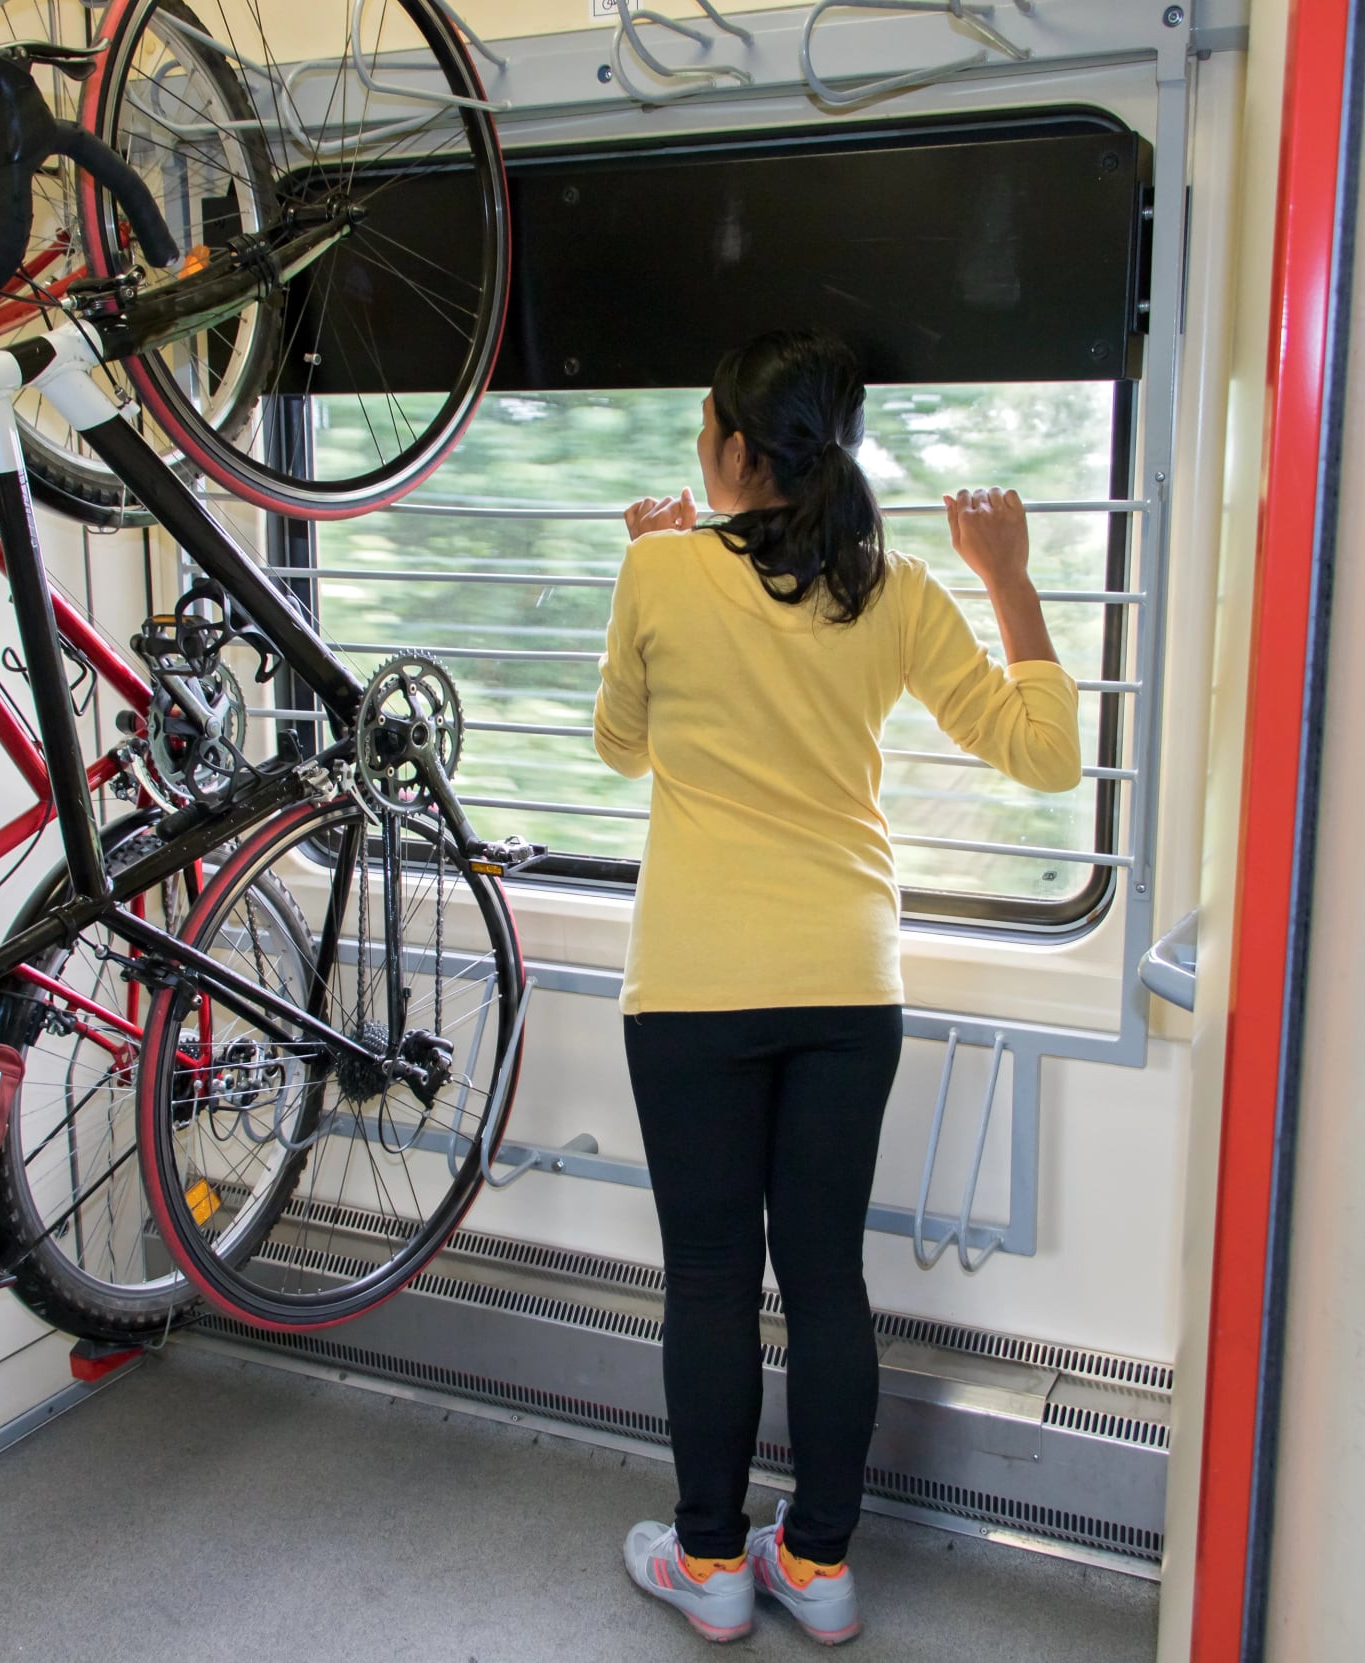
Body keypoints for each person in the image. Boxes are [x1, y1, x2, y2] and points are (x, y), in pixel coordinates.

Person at [597, 330, 1081, 1646]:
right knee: (821, 1280)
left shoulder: (661, 568)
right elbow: (1042, 757)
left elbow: (621, 747)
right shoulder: (902, 588)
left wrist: (654, 564)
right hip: (846, 984)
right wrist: (1012, 579)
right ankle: (816, 1567)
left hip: (694, 984)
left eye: (708, 428)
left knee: (709, 1278)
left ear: (736, 452)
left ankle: (709, 1568)